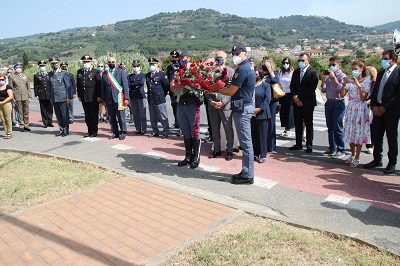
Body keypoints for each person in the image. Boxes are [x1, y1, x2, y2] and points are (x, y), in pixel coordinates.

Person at [218, 44, 256, 184]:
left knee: (246, 143)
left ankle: (248, 175)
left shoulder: (242, 69)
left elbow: (231, 91)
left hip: (242, 109)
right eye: (234, 53)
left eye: (238, 53)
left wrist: (215, 89)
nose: (235, 56)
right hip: (243, 107)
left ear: (244, 54)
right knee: (246, 142)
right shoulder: (247, 67)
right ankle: (246, 171)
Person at [364, 49, 400, 175]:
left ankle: (391, 163)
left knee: (391, 137)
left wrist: (385, 107)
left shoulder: (398, 72)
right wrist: (374, 106)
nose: (383, 61)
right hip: (377, 110)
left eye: (386, 59)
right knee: (377, 135)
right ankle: (377, 159)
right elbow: (374, 92)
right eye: (382, 58)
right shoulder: (380, 74)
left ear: (393, 59)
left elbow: (398, 95)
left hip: (391, 111)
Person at [170, 50, 203, 169]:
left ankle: (196, 158)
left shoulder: (195, 70)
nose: (181, 59)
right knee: (185, 131)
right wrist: (177, 86)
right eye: (180, 58)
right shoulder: (175, 70)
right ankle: (188, 156)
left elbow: (200, 85)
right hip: (180, 104)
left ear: (189, 58)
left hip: (192, 103)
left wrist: (190, 84)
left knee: (195, 131)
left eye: (184, 57)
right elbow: (172, 88)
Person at [340, 59, 371, 167]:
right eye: (352, 69)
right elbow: (342, 95)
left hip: (360, 109)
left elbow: (363, 98)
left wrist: (359, 86)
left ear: (362, 69)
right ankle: (352, 155)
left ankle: (357, 157)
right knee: (350, 132)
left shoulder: (367, 81)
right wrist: (344, 84)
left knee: (358, 132)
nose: (354, 71)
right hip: (351, 107)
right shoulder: (351, 80)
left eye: (356, 69)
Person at [206, 50, 235, 161]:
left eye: (221, 57)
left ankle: (229, 150)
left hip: (225, 105)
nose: (219, 59)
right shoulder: (209, 71)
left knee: (228, 129)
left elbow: (233, 90)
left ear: (226, 59)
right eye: (217, 57)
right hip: (213, 105)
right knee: (215, 129)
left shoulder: (231, 71)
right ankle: (216, 149)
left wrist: (223, 102)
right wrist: (211, 101)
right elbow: (206, 89)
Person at [289, 53, 319, 153]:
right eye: (299, 60)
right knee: (298, 123)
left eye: (303, 60)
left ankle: (309, 144)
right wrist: (295, 97)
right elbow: (292, 85)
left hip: (308, 102)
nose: (301, 62)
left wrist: (300, 98)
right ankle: (298, 143)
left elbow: (311, 88)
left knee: (308, 123)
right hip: (296, 102)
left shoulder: (313, 72)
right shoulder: (296, 72)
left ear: (308, 61)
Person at [321, 56, 347, 158]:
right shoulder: (329, 77)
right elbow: (323, 90)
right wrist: (323, 79)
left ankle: (341, 149)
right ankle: (332, 147)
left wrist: (333, 77)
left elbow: (341, 89)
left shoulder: (342, 76)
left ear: (339, 65)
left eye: (333, 65)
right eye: (330, 65)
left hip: (338, 103)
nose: (331, 67)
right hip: (329, 102)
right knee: (330, 127)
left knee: (337, 127)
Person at [101, 56, 130, 140]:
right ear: (107, 63)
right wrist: (103, 99)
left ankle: (123, 132)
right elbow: (103, 87)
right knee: (111, 117)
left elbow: (125, 85)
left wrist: (126, 98)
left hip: (119, 98)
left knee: (121, 116)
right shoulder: (105, 73)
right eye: (109, 62)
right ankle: (115, 132)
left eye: (113, 62)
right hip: (109, 99)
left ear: (116, 63)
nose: (111, 63)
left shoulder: (121, 72)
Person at [77, 54, 102, 138]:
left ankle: (94, 131)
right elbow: (79, 85)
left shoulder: (95, 72)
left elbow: (99, 85)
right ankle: (89, 130)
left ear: (91, 62)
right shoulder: (79, 72)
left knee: (93, 115)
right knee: (87, 115)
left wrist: (99, 96)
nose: (86, 63)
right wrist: (79, 95)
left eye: (88, 61)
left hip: (93, 97)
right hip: (84, 97)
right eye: (84, 61)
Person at [48, 57, 73, 137]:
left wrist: (68, 97)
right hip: (55, 98)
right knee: (58, 115)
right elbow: (51, 86)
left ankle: (66, 130)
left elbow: (68, 86)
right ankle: (61, 129)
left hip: (63, 97)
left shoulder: (63, 73)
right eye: (52, 64)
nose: (54, 65)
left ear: (58, 64)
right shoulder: (50, 74)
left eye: (55, 63)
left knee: (64, 114)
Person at [251, 67, 271, 163]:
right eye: (254, 74)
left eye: (257, 74)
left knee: (262, 135)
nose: (255, 76)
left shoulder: (265, 85)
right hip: (251, 113)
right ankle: (255, 152)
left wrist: (259, 109)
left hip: (262, 114)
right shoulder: (250, 85)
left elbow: (267, 100)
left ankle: (263, 154)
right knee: (253, 134)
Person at [146, 58, 169, 138]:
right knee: (152, 117)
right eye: (150, 64)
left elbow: (166, 85)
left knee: (162, 116)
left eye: (153, 64)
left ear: (157, 65)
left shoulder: (161, 74)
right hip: (151, 99)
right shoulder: (148, 75)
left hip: (159, 99)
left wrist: (163, 94)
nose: (151, 66)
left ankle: (165, 131)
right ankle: (155, 131)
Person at [261, 56, 279, 153]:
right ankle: (263, 144)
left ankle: (271, 146)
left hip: (271, 102)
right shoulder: (261, 74)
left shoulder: (273, 73)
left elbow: (276, 80)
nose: (264, 64)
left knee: (271, 124)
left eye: (266, 63)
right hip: (261, 102)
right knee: (263, 124)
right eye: (263, 63)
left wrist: (270, 69)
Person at [8, 62, 31, 132]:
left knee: (26, 111)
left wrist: (29, 97)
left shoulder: (25, 76)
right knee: (20, 112)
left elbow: (28, 88)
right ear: (14, 69)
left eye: (19, 67)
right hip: (17, 96)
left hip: (25, 96)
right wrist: (13, 98)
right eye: (17, 67)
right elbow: (11, 88)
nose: (18, 69)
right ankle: (21, 125)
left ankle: (26, 125)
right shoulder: (12, 77)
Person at [127, 60, 147, 134]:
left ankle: (144, 128)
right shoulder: (130, 76)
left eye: (137, 66)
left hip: (141, 96)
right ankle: (138, 129)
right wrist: (135, 85)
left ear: (140, 67)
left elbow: (141, 83)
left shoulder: (142, 75)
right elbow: (128, 84)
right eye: (134, 66)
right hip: (133, 96)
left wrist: (133, 84)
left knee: (142, 114)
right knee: (135, 114)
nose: (136, 67)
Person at [33, 60, 54, 128]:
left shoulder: (48, 74)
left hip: (49, 93)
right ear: (39, 67)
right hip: (41, 94)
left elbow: (51, 84)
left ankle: (50, 122)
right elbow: (35, 85)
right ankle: (45, 122)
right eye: (41, 66)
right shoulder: (36, 75)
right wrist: (36, 94)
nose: (42, 67)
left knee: (50, 108)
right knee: (43, 109)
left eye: (43, 66)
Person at [278, 57, 294, 137]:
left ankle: (289, 129)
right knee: (283, 112)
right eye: (284, 63)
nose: (285, 64)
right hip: (282, 94)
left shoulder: (292, 72)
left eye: (287, 63)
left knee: (289, 112)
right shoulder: (280, 72)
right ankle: (285, 128)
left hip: (290, 94)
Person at [166, 50, 180, 129]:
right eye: (173, 57)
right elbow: (169, 78)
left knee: (180, 107)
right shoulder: (169, 67)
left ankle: (181, 124)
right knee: (174, 106)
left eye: (176, 57)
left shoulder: (181, 66)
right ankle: (177, 122)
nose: (174, 59)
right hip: (172, 91)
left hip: (180, 90)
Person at [365, 66, 377, 154]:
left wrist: (370, 101)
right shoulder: (365, 82)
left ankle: (371, 145)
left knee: (372, 127)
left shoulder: (375, 83)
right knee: (366, 126)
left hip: (371, 107)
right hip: (364, 106)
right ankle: (367, 143)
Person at [0, 73, 14, 139]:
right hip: (0, 105)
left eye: (2, 79)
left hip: (6, 103)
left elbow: (10, 96)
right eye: (0, 79)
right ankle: (6, 132)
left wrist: (3, 102)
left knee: (8, 118)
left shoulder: (8, 87)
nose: (1, 81)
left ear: (5, 80)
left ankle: (9, 133)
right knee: (3, 119)